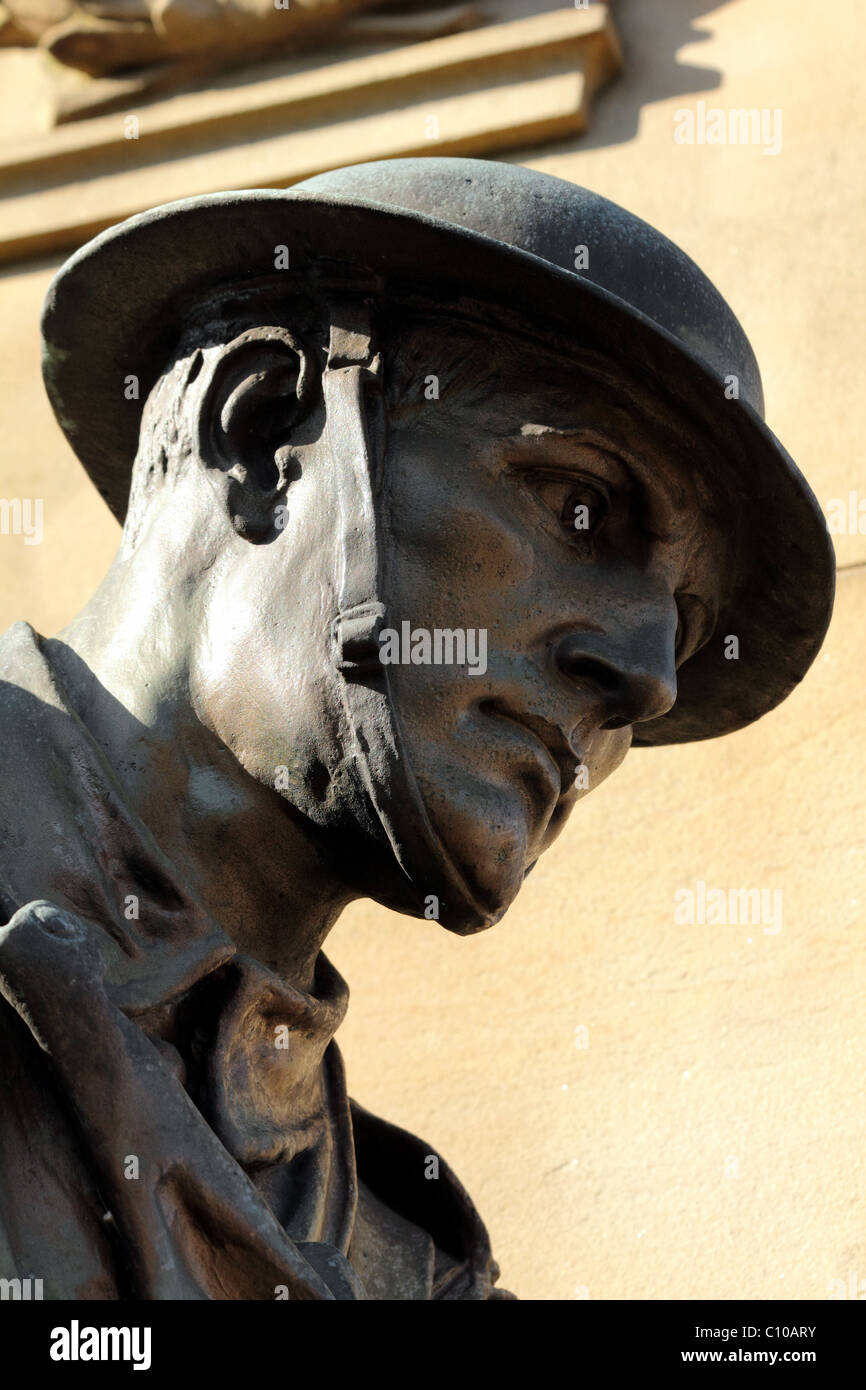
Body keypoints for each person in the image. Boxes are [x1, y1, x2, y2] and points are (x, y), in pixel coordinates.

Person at [0, 157, 834, 1299]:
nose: (646, 681)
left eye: (681, 627)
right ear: (262, 434)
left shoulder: (405, 1260)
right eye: (578, 505)